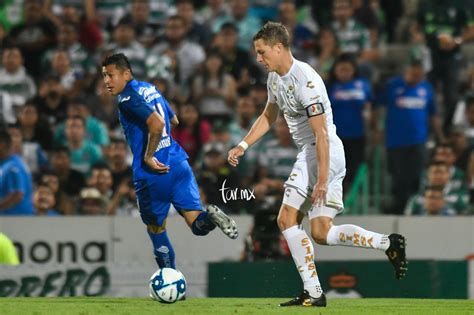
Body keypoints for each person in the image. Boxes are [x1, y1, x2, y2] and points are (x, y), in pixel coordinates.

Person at [228, 22, 407, 307]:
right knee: (322, 232)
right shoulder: (275, 78)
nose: (259, 58)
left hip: (320, 152)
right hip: (325, 154)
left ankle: (313, 292)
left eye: (262, 52)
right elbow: (268, 116)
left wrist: (322, 179)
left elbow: (321, 134)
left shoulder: (306, 81)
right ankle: (388, 243)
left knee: (286, 219)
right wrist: (243, 144)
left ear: (278, 47)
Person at [102, 53, 238, 272]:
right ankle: (212, 217)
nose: (106, 81)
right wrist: (163, 144)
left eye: (110, 75)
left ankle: (170, 279)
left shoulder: (127, 98)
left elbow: (156, 125)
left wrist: (148, 155)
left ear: (126, 74)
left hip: (153, 172)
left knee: (156, 230)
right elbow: (173, 120)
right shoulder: (150, 88)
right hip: (179, 163)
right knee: (197, 224)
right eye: (104, 76)